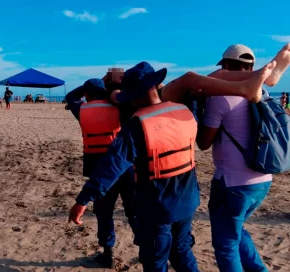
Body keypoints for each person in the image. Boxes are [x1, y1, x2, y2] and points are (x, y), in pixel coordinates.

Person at [69, 60, 275, 271]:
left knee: (155, 260)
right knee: (182, 252)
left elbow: (111, 166)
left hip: (156, 206)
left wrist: (83, 200)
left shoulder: (137, 126)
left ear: (137, 96)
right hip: (187, 202)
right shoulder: (185, 113)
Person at [196, 45, 274, 272]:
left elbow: (203, 143)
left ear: (227, 67)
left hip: (232, 182)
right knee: (236, 230)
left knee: (225, 244)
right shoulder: (264, 93)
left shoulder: (222, 98)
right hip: (263, 177)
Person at [65, 78, 137, 268]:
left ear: (87, 94)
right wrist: (109, 91)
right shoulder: (119, 108)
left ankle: (108, 252)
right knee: (134, 211)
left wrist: (88, 88)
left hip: (98, 168)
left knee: (104, 212)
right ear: (104, 92)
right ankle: (146, 248)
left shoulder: (82, 109)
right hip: (124, 165)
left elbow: (71, 96)